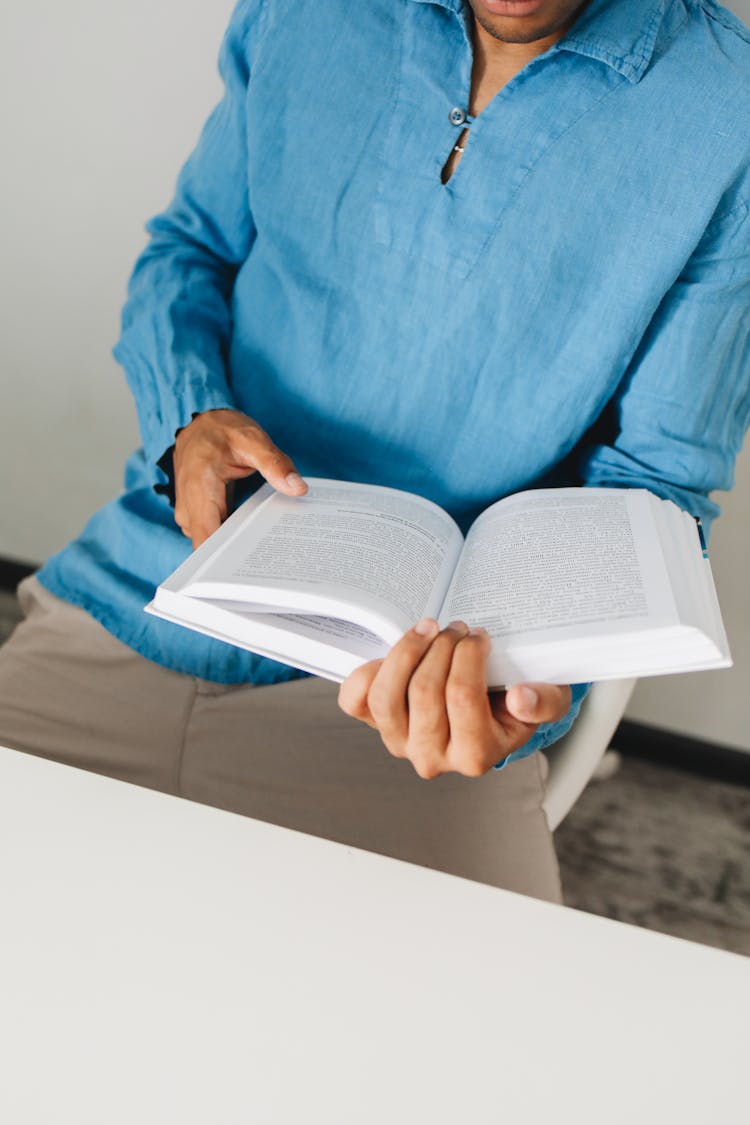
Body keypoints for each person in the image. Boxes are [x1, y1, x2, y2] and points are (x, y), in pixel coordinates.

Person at [1, 0, 749, 902]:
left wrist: (530, 684)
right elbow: (187, 253)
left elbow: (653, 484)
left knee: (484, 1033)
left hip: (420, 709)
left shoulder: (726, 109)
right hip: (142, 598)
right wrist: (184, 423)